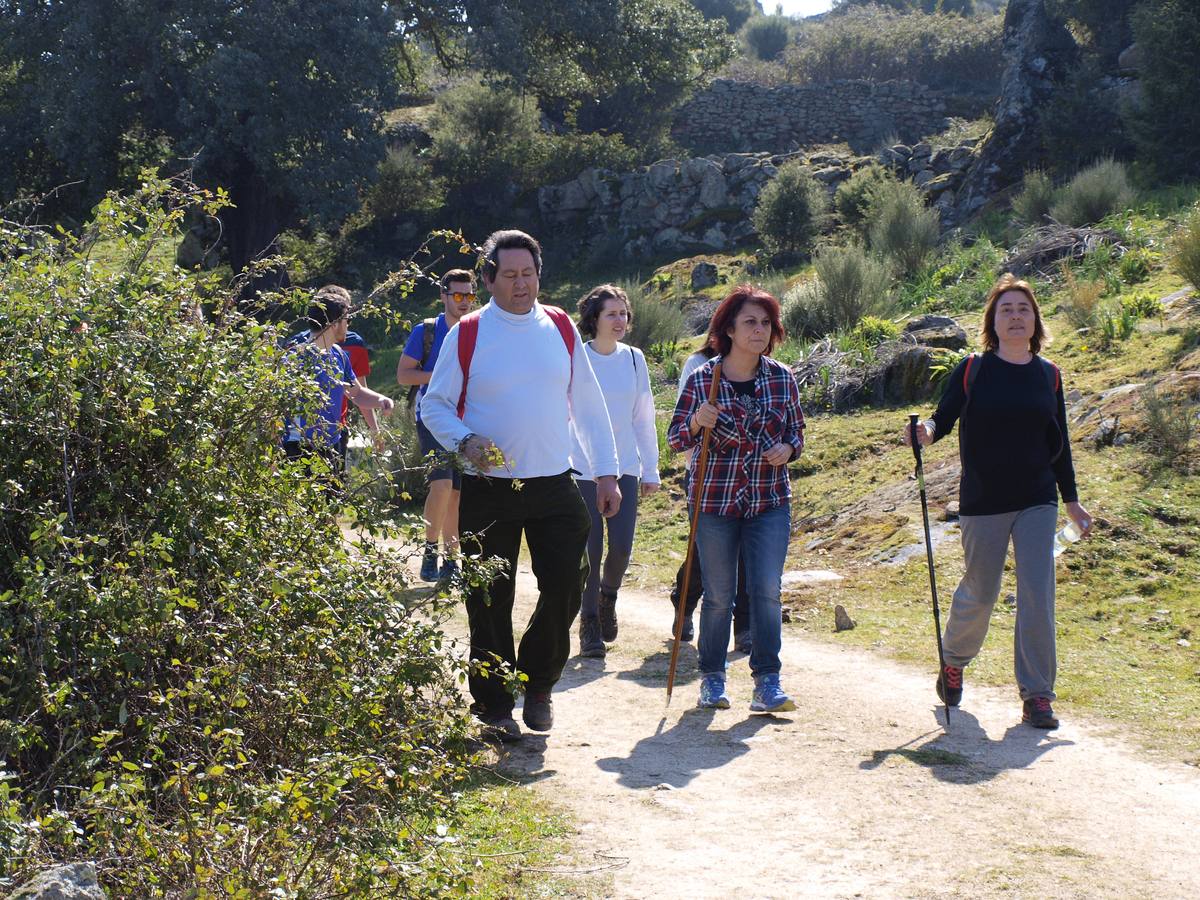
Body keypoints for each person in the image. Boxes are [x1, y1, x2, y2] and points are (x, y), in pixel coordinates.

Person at [421, 230, 620, 743]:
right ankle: (494, 705)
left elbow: (588, 404)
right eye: (509, 275)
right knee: (489, 598)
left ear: (539, 274)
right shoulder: (467, 332)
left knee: (568, 584)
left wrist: (606, 471)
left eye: (528, 274)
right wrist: (465, 441)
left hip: (555, 483)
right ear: (489, 278)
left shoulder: (558, 326)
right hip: (489, 489)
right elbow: (434, 405)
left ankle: (536, 684)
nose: (520, 284)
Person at [903, 274, 1091, 730]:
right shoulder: (974, 369)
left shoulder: (1049, 374)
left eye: (1023, 309)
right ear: (993, 320)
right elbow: (941, 420)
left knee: (1037, 594)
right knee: (981, 590)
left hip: (1037, 499)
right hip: (983, 500)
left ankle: (1038, 695)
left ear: (1035, 320)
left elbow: (1059, 442)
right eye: (1006, 309)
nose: (1015, 316)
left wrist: (1072, 503)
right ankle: (954, 660)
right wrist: (924, 432)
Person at [668, 285, 805, 714]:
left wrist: (789, 450)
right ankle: (712, 678)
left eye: (766, 323)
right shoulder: (702, 379)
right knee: (719, 595)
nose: (759, 330)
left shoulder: (782, 378)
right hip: (714, 502)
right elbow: (674, 439)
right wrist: (695, 421)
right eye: (750, 322)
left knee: (766, 590)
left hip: (769, 501)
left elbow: (797, 432)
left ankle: (768, 682)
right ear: (728, 329)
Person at [570, 285, 660, 658]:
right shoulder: (577, 358)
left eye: (624, 313)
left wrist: (649, 469)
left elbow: (643, 418)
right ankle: (589, 623)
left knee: (621, 547)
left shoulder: (635, 359)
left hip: (624, 467)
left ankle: (608, 598)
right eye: (612, 314)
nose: (620, 320)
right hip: (581, 469)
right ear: (595, 318)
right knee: (590, 550)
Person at [669, 342, 752, 653]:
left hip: (750, 477)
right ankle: (684, 603)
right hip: (706, 476)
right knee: (706, 554)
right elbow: (682, 421)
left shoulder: (761, 366)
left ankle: (744, 625)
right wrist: (695, 463)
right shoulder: (699, 365)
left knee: (746, 551)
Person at [396, 269, 477, 582]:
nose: (464, 302)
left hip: (467, 420)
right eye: (458, 295)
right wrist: (442, 377)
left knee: (456, 494)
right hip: (432, 415)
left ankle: (452, 562)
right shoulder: (426, 331)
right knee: (441, 485)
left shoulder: (479, 329)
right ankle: (430, 551)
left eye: (470, 295)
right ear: (443, 296)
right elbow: (404, 375)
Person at [282, 285, 395, 479]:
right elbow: (276, 407)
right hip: (299, 449)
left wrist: (381, 400)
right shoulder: (297, 356)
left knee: (335, 507)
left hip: (331, 447)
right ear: (334, 323)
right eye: (346, 320)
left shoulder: (339, 355)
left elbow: (357, 393)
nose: (348, 325)